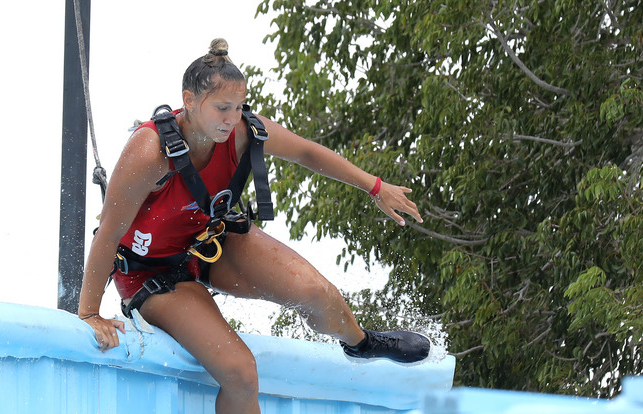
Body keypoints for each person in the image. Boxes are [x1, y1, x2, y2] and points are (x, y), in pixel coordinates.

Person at [78, 38, 429, 413]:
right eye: (222, 108)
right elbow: (109, 233)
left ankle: (360, 343)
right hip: (154, 275)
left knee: (315, 291)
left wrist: (375, 187)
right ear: (190, 100)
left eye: (239, 106)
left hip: (209, 243)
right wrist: (89, 313)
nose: (232, 118)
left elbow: (307, 151)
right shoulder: (149, 152)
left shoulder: (243, 132)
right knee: (242, 373)